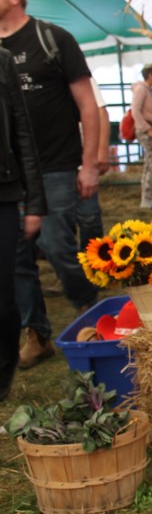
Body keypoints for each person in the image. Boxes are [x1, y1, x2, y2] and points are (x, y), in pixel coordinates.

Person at [0, 0, 101, 369]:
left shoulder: (53, 39)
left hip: (58, 165)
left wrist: (89, 164)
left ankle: (87, 310)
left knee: (58, 247)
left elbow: (88, 106)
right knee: (17, 259)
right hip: (11, 175)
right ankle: (37, 333)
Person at [0, 46, 46, 400]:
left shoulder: (2, 60)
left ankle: (1, 384)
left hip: (4, 192)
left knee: (4, 302)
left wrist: (34, 202)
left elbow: (22, 133)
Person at [76, 77, 111, 247]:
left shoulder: (78, 73)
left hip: (82, 158)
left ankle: (93, 265)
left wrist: (102, 150)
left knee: (89, 216)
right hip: (51, 159)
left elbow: (101, 111)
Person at [132, 64, 152, 209]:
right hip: (147, 131)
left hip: (149, 130)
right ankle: (147, 199)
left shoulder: (145, 90)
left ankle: (148, 198)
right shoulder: (142, 90)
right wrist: (147, 128)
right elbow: (135, 111)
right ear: (150, 75)